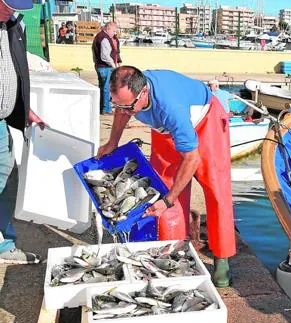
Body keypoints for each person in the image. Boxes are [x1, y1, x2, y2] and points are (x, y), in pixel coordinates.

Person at [96, 66, 236, 287]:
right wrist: (112, 142)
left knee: (215, 187)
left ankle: (222, 260)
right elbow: (123, 110)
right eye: (116, 104)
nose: (123, 110)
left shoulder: (170, 108)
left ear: (143, 92)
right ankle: (174, 252)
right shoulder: (130, 97)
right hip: (164, 128)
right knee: (162, 186)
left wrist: (168, 200)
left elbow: (192, 159)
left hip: (204, 121)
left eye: (128, 106)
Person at [0, 0, 46, 264]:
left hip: (2, 121)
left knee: (6, 179)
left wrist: (25, 110)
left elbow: (15, 73)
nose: (12, 11)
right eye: (7, 4)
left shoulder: (14, 26)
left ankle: (4, 246)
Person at [92, 22, 121, 115]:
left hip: (100, 66)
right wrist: (114, 66)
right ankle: (106, 109)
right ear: (108, 29)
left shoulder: (99, 36)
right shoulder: (104, 38)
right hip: (105, 67)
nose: (114, 33)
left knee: (103, 87)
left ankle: (103, 107)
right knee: (106, 88)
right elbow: (105, 56)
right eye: (113, 31)